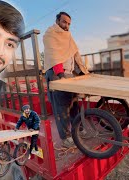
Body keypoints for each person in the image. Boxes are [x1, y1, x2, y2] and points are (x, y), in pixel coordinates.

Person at [43, 12, 89, 148]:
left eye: (69, 24)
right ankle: (66, 137)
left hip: (69, 74)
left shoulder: (68, 36)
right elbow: (54, 55)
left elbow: (75, 54)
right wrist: (61, 76)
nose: (66, 26)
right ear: (57, 21)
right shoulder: (50, 34)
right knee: (62, 108)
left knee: (74, 104)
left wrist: (83, 72)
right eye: (64, 22)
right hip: (57, 73)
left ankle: (79, 129)